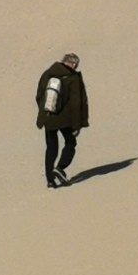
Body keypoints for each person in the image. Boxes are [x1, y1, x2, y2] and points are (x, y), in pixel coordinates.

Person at [35, 53, 88, 187]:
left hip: (48, 117)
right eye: (75, 63)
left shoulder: (48, 73)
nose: (76, 66)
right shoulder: (73, 77)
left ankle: (50, 180)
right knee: (71, 142)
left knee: (51, 148)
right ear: (72, 63)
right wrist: (77, 125)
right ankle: (60, 168)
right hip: (66, 120)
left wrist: (45, 112)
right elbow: (76, 104)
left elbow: (39, 96)